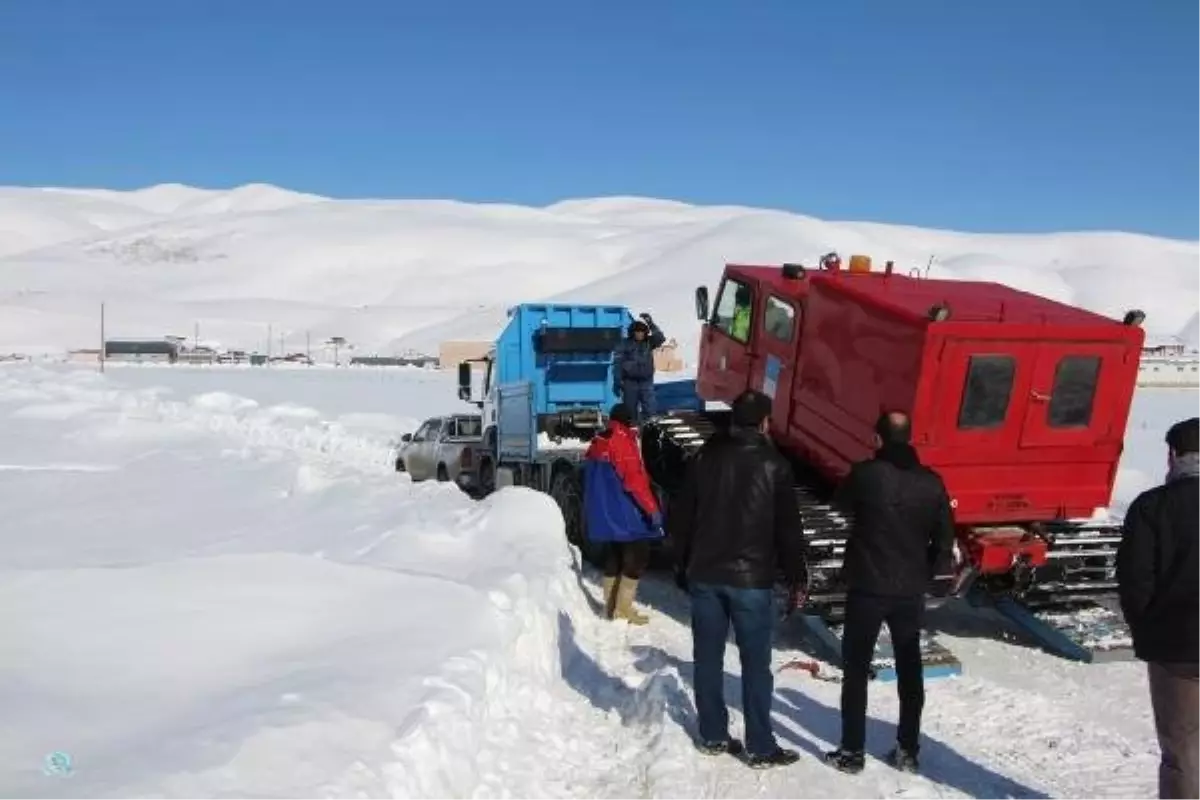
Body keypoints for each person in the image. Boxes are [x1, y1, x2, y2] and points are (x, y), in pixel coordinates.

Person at [668, 389, 806, 768]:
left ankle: (712, 735)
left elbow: (681, 519)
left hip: (706, 575)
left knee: (707, 658)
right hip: (752, 580)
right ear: (764, 422)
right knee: (755, 664)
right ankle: (760, 746)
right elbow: (789, 530)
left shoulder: (703, 459)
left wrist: (680, 565)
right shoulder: (775, 465)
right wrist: (797, 577)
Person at [824, 410, 955, 775]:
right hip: (909, 590)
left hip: (867, 586)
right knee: (910, 668)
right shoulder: (932, 483)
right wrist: (926, 571)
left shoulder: (865, 474)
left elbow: (838, 507)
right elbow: (945, 539)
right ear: (909, 437)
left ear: (877, 439)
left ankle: (852, 751)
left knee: (855, 668)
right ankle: (908, 749)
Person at [1117, 417, 1200, 799]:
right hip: (1173, 643)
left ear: (1173, 456)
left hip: (1174, 649)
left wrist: (1148, 633)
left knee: (1181, 750)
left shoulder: (1151, 507)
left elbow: (1135, 581)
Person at [582, 403, 664, 625]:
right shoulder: (623, 442)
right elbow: (634, 481)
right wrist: (652, 510)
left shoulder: (599, 440)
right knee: (638, 556)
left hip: (607, 512)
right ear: (628, 420)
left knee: (615, 555)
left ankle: (609, 606)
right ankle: (623, 609)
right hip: (625, 511)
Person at [613, 312, 666, 425]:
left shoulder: (649, 342)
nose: (639, 334)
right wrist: (617, 381)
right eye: (637, 332)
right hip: (629, 383)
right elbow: (617, 363)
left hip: (646, 382)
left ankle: (650, 431)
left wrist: (650, 323)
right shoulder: (625, 344)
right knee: (630, 412)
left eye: (642, 332)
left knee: (650, 410)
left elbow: (660, 338)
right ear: (632, 332)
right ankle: (631, 434)